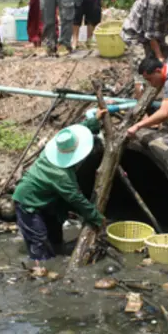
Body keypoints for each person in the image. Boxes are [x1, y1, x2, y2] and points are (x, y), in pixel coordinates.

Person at [12, 111, 108, 261]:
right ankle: (42, 271)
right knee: (40, 244)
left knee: (55, 236)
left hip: (46, 199)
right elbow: (77, 200)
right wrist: (97, 218)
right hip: (28, 202)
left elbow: (78, 131)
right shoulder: (62, 176)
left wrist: (94, 121)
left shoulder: (59, 144)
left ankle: (56, 253)